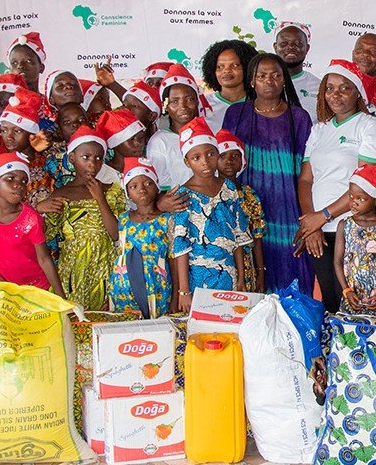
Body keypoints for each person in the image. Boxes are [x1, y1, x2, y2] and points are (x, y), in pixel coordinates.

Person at [297, 59, 376, 311]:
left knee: (356, 305)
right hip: (320, 231)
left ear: (358, 92)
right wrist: (311, 224)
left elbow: (367, 185)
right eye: (329, 88)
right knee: (330, 303)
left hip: (356, 229)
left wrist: (324, 215)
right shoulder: (319, 130)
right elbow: (306, 180)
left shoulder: (370, 127)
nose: (335, 94)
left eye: (344, 88)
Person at [222, 51, 313, 295]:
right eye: (262, 76)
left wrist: (307, 218)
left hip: (288, 212)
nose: (269, 81)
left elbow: (307, 172)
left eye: (275, 75)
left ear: (284, 80)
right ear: (252, 81)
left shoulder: (299, 117)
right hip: (245, 209)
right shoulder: (235, 114)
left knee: (292, 276)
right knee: (251, 277)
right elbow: (224, 162)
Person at [45, 124, 123, 309]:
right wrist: (39, 209)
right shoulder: (60, 194)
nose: (92, 164)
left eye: (98, 158)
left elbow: (115, 234)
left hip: (105, 265)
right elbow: (48, 236)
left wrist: (100, 199)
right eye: (85, 157)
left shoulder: (112, 191)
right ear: (72, 158)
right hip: (73, 268)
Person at [171, 119, 251, 297]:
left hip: (229, 274)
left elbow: (237, 235)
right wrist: (184, 291)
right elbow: (181, 246)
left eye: (211, 154)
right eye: (196, 158)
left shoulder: (229, 188)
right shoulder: (183, 195)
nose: (205, 162)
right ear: (187, 162)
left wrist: (241, 277)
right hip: (198, 279)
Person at [0, 153, 61, 293]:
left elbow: (44, 259)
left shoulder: (30, 218)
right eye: (10, 178)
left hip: (37, 288)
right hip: (5, 287)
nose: (18, 185)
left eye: (23, 181)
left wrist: (61, 298)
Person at [109, 158, 175, 318]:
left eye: (148, 183)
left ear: (157, 186)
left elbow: (173, 258)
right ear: (127, 193)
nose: (142, 190)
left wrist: (176, 295)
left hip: (156, 287)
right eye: (134, 186)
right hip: (123, 288)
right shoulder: (123, 219)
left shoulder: (166, 219)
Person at [335, 162, 376, 315]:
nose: (353, 202)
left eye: (361, 199)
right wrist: (346, 291)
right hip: (353, 298)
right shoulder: (344, 225)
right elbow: (338, 261)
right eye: (351, 196)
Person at [216, 130, 265, 292]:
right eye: (222, 156)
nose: (229, 161)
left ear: (242, 161)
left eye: (235, 156)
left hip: (246, 267)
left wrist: (261, 272)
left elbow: (257, 235)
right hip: (216, 267)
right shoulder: (209, 194)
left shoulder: (248, 194)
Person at [146, 63, 205, 190]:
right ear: (166, 106)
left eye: (189, 99)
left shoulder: (209, 134)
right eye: (175, 101)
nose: (183, 107)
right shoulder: (159, 141)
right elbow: (162, 187)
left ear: (197, 101)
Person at [201, 39, 257, 129]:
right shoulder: (203, 105)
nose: (226, 71)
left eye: (235, 65)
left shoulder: (260, 103)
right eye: (220, 67)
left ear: (247, 67)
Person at [274, 22, 320, 119]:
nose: (291, 47)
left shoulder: (320, 88)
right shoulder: (262, 84)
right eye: (284, 44)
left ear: (307, 48)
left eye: (298, 44)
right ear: (275, 47)